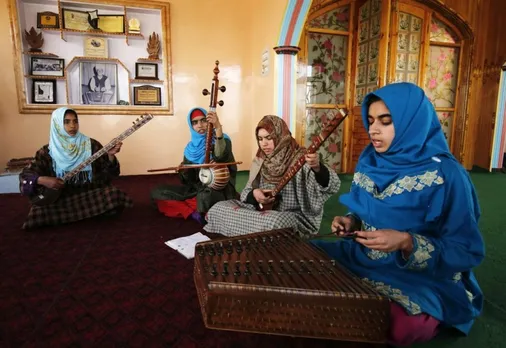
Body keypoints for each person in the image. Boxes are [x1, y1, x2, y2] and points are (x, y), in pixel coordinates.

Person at [311, 83, 485, 347]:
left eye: (386, 121)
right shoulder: (370, 160)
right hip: (362, 258)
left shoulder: (448, 175)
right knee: (302, 255)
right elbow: (366, 207)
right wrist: (351, 221)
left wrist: (406, 242)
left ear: (412, 121)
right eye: (370, 121)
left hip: (417, 276)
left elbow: (465, 249)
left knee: (398, 324)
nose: (373, 130)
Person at [204, 115, 340, 237]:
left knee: (275, 222)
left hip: (291, 215)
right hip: (260, 211)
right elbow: (246, 192)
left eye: (269, 138)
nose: (264, 144)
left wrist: (317, 168)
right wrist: (255, 194)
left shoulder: (300, 159)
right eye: (260, 139)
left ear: (280, 136)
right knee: (218, 208)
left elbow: (333, 185)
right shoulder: (260, 160)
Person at [19, 107, 133, 229]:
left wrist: (110, 155)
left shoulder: (91, 145)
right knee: (37, 213)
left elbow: (110, 174)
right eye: (66, 122)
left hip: (89, 193)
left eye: (75, 121)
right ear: (56, 124)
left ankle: (73, 217)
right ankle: (90, 214)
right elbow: (26, 176)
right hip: (62, 197)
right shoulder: (47, 151)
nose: (72, 126)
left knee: (114, 195)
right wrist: (44, 180)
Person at [150, 107, 237, 224]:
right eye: (195, 123)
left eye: (203, 120)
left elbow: (221, 157)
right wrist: (183, 170)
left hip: (218, 190)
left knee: (205, 197)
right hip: (195, 190)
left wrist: (218, 127)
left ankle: (193, 209)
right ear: (191, 126)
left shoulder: (222, 139)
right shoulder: (189, 149)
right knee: (158, 192)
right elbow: (188, 182)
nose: (200, 125)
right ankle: (194, 213)